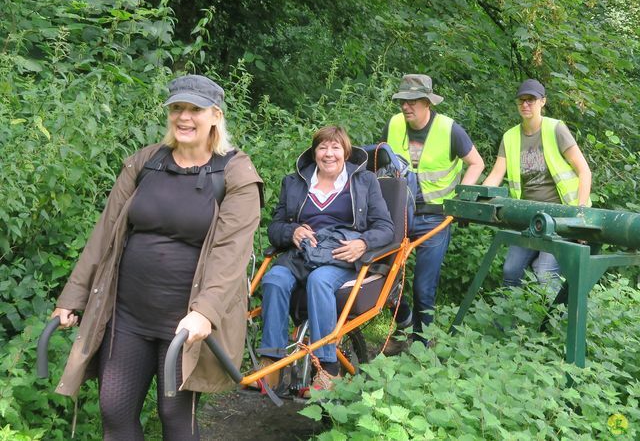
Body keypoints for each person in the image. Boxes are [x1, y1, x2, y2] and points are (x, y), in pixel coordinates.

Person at [50, 74, 263, 440]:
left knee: (175, 417)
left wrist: (205, 312)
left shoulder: (235, 173)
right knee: (114, 410)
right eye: (177, 108)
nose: (184, 117)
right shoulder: (145, 163)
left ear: (215, 115)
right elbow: (104, 236)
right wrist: (72, 298)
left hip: (186, 324)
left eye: (194, 109)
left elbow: (231, 254)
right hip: (128, 314)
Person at [258, 125, 394, 395]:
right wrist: (291, 231)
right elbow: (274, 228)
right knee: (273, 278)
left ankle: (328, 368)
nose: (329, 154)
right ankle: (271, 363)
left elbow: (386, 227)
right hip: (302, 254)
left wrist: (363, 243)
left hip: (340, 255)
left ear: (346, 152)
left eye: (335, 147)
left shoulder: (364, 182)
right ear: (314, 152)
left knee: (319, 281)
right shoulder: (294, 182)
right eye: (322, 147)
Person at [382, 74, 484, 351]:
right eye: (403, 101)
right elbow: (380, 163)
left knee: (423, 287)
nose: (406, 107)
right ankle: (404, 325)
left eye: (413, 101)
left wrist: (461, 196)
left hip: (434, 218)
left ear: (427, 102)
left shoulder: (450, 129)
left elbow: (476, 163)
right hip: (397, 215)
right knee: (383, 276)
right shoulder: (393, 125)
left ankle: (421, 343)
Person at [483, 78, 592, 289]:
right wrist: (478, 197)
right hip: (527, 217)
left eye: (531, 100)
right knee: (511, 271)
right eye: (521, 100)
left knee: (545, 273)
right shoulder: (510, 136)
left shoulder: (555, 129)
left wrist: (580, 216)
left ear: (542, 102)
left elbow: (583, 170)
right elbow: (496, 174)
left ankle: (549, 322)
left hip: (561, 217)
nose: (525, 104)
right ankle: (512, 320)